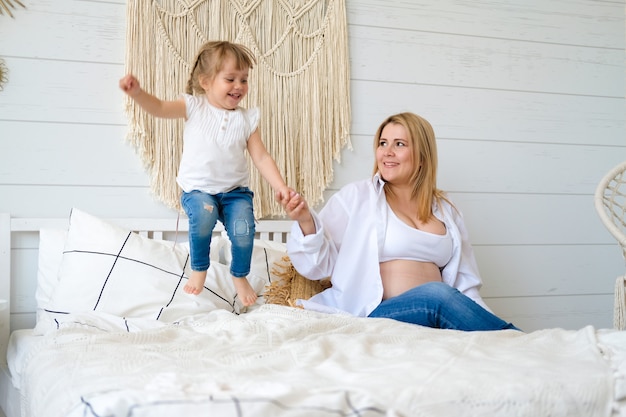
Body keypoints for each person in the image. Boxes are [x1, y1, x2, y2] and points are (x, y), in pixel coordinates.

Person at [280, 112, 520, 331]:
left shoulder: (446, 210)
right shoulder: (358, 197)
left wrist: (484, 318)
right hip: (376, 313)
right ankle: (515, 340)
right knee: (436, 296)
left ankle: (518, 342)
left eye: (400, 144)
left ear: (422, 157)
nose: (387, 152)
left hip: (436, 311)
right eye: (383, 143)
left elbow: (466, 285)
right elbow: (318, 267)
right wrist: (306, 222)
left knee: (443, 299)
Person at [120, 41, 291, 307]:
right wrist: (138, 93)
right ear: (206, 82)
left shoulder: (246, 119)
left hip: (235, 194)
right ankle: (199, 268)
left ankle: (239, 275)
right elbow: (161, 109)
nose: (239, 86)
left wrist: (281, 186)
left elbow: (261, 156)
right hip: (199, 191)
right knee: (202, 216)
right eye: (230, 79)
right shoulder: (194, 107)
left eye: (244, 80)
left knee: (244, 230)